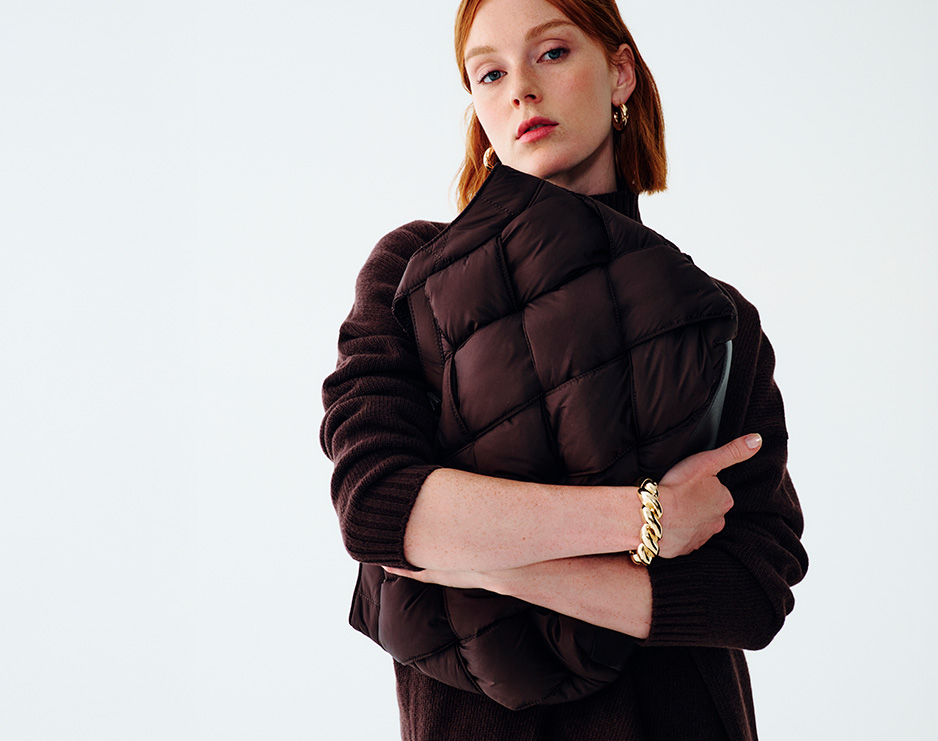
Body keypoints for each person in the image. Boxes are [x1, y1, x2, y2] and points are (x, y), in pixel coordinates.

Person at [319, 0, 807, 738]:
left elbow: (752, 591)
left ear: (619, 72)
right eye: (489, 73)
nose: (520, 88)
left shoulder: (718, 319)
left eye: (551, 53)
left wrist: (479, 560)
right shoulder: (412, 270)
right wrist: (650, 520)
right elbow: (377, 504)